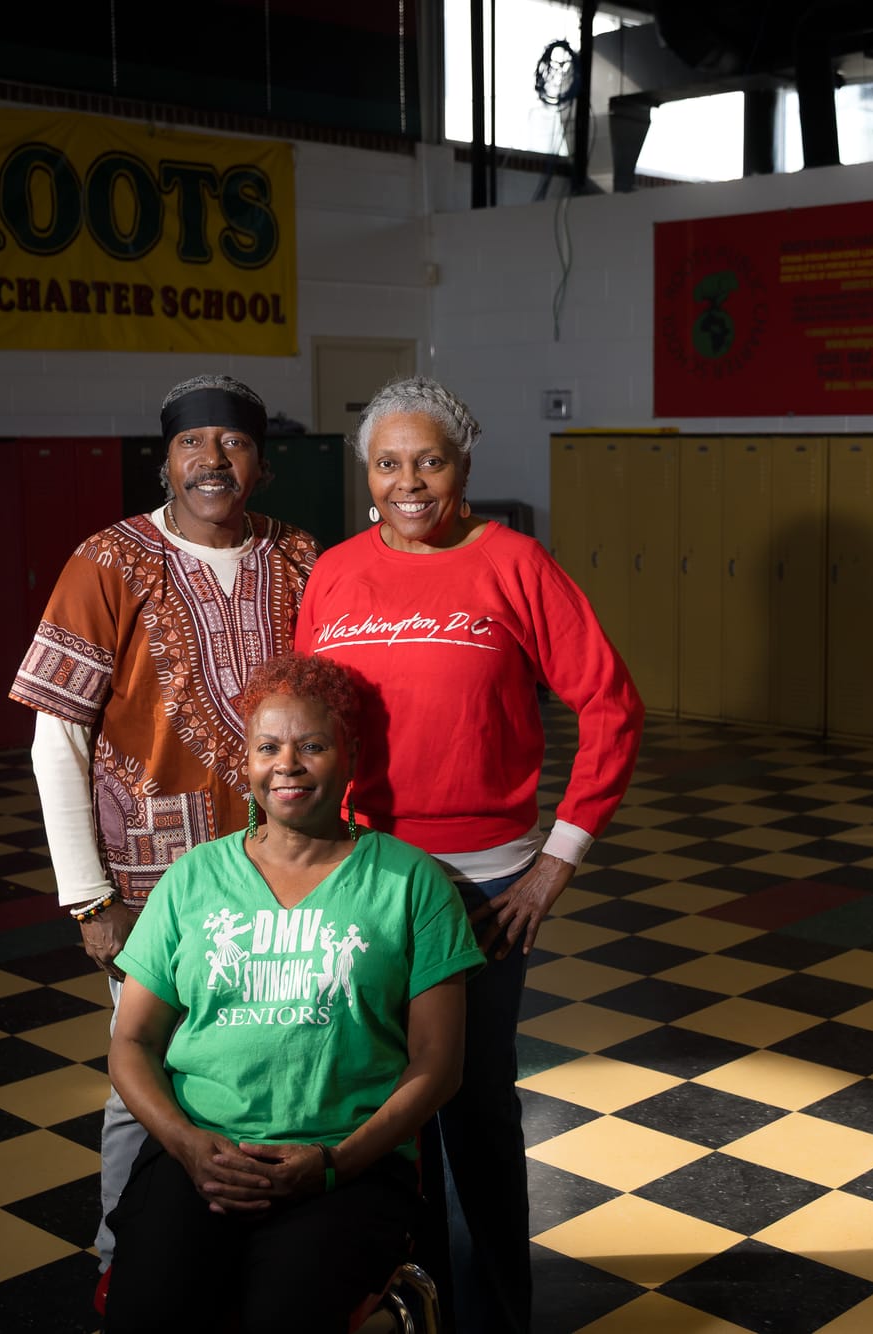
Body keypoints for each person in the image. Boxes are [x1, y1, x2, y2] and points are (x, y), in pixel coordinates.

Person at [296, 375, 644, 1332]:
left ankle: (495, 1312)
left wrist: (555, 863)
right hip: (362, 876)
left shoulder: (516, 564)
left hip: (487, 883)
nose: (410, 482)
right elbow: (304, 727)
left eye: (430, 460)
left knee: (474, 1105)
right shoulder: (335, 573)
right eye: (389, 463)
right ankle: (399, 1301)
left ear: (464, 465)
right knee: (378, 1102)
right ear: (368, 474)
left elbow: (612, 705)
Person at [9, 374, 317, 1274]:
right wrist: (87, 897)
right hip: (152, 883)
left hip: (285, 866)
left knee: (277, 1049)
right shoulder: (107, 561)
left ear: (261, 464)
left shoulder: (301, 556)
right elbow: (55, 739)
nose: (212, 460)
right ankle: (124, 1253)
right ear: (165, 458)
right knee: (148, 1069)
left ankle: (252, 1237)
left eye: (234, 443)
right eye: (194, 443)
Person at [102, 654, 484, 1331]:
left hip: (348, 1164)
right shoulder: (193, 879)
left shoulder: (410, 883)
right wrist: (189, 1146)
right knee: (150, 1313)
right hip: (203, 1159)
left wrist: (334, 1164)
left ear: (349, 756)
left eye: (312, 745)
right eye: (269, 746)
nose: (289, 763)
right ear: (246, 762)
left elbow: (438, 1064)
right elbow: (131, 1041)